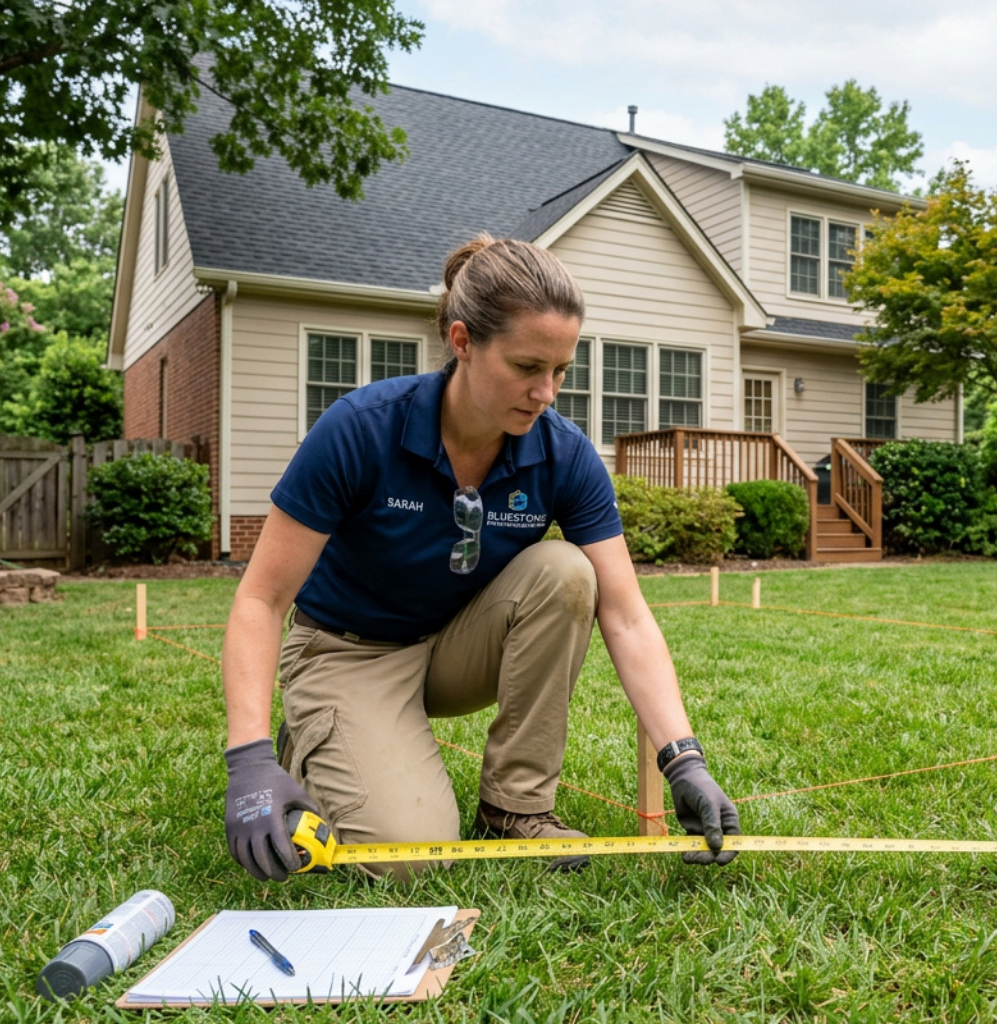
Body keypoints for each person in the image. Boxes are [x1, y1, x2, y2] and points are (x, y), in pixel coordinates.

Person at [220, 235, 740, 881]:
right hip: (348, 651)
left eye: (560, 372)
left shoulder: (562, 452)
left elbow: (627, 616)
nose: (546, 391)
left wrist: (684, 760)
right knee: (409, 857)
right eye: (527, 367)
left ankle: (517, 807)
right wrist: (248, 762)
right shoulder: (361, 428)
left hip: (457, 643)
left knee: (565, 571)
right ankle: (320, 734)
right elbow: (260, 600)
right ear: (463, 342)